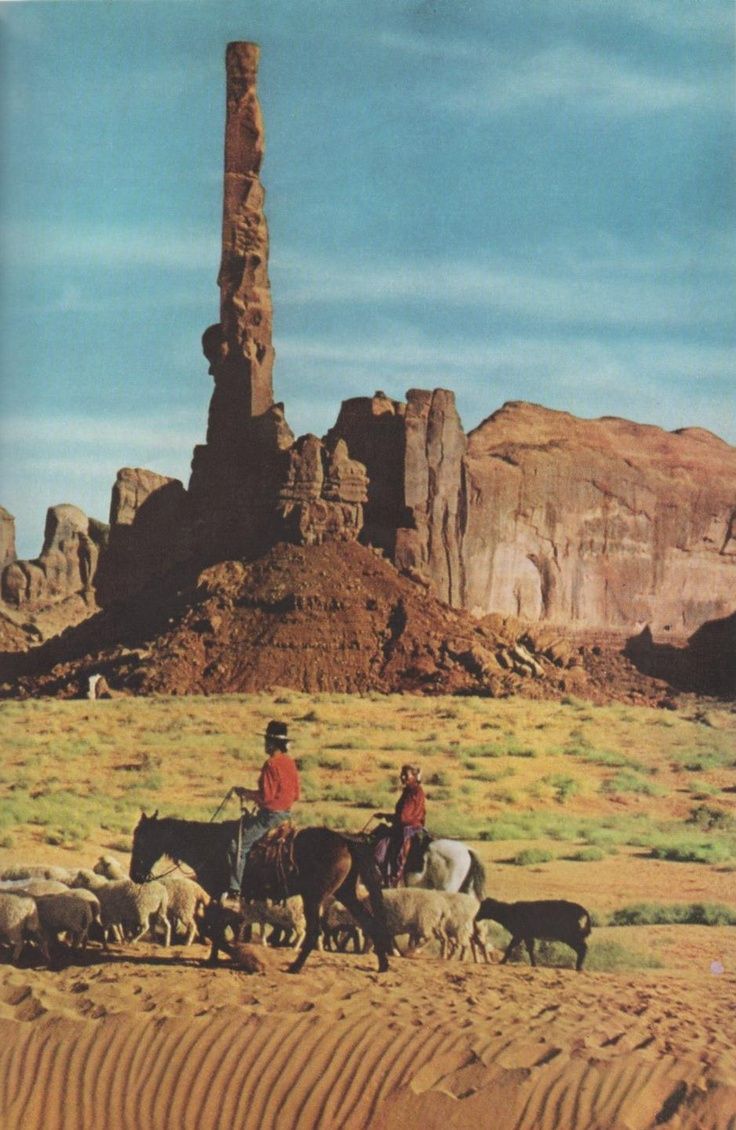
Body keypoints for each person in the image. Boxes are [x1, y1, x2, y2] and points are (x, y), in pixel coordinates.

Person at [227, 720, 300, 897]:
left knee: (238, 846)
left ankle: (234, 890)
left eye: (267, 741)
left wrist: (245, 793)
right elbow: (296, 794)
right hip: (286, 815)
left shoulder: (271, 764)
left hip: (270, 816)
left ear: (273, 743)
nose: (265, 745)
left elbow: (266, 797)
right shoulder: (289, 762)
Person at [374, 764, 426, 887]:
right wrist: (386, 815)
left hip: (408, 827)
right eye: (401, 774)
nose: (402, 777)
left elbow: (404, 816)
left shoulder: (413, 792)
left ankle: (393, 879)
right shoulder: (411, 790)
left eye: (405, 775)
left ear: (414, 776)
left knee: (391, 850)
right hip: (410, 825)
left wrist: (389, 817)